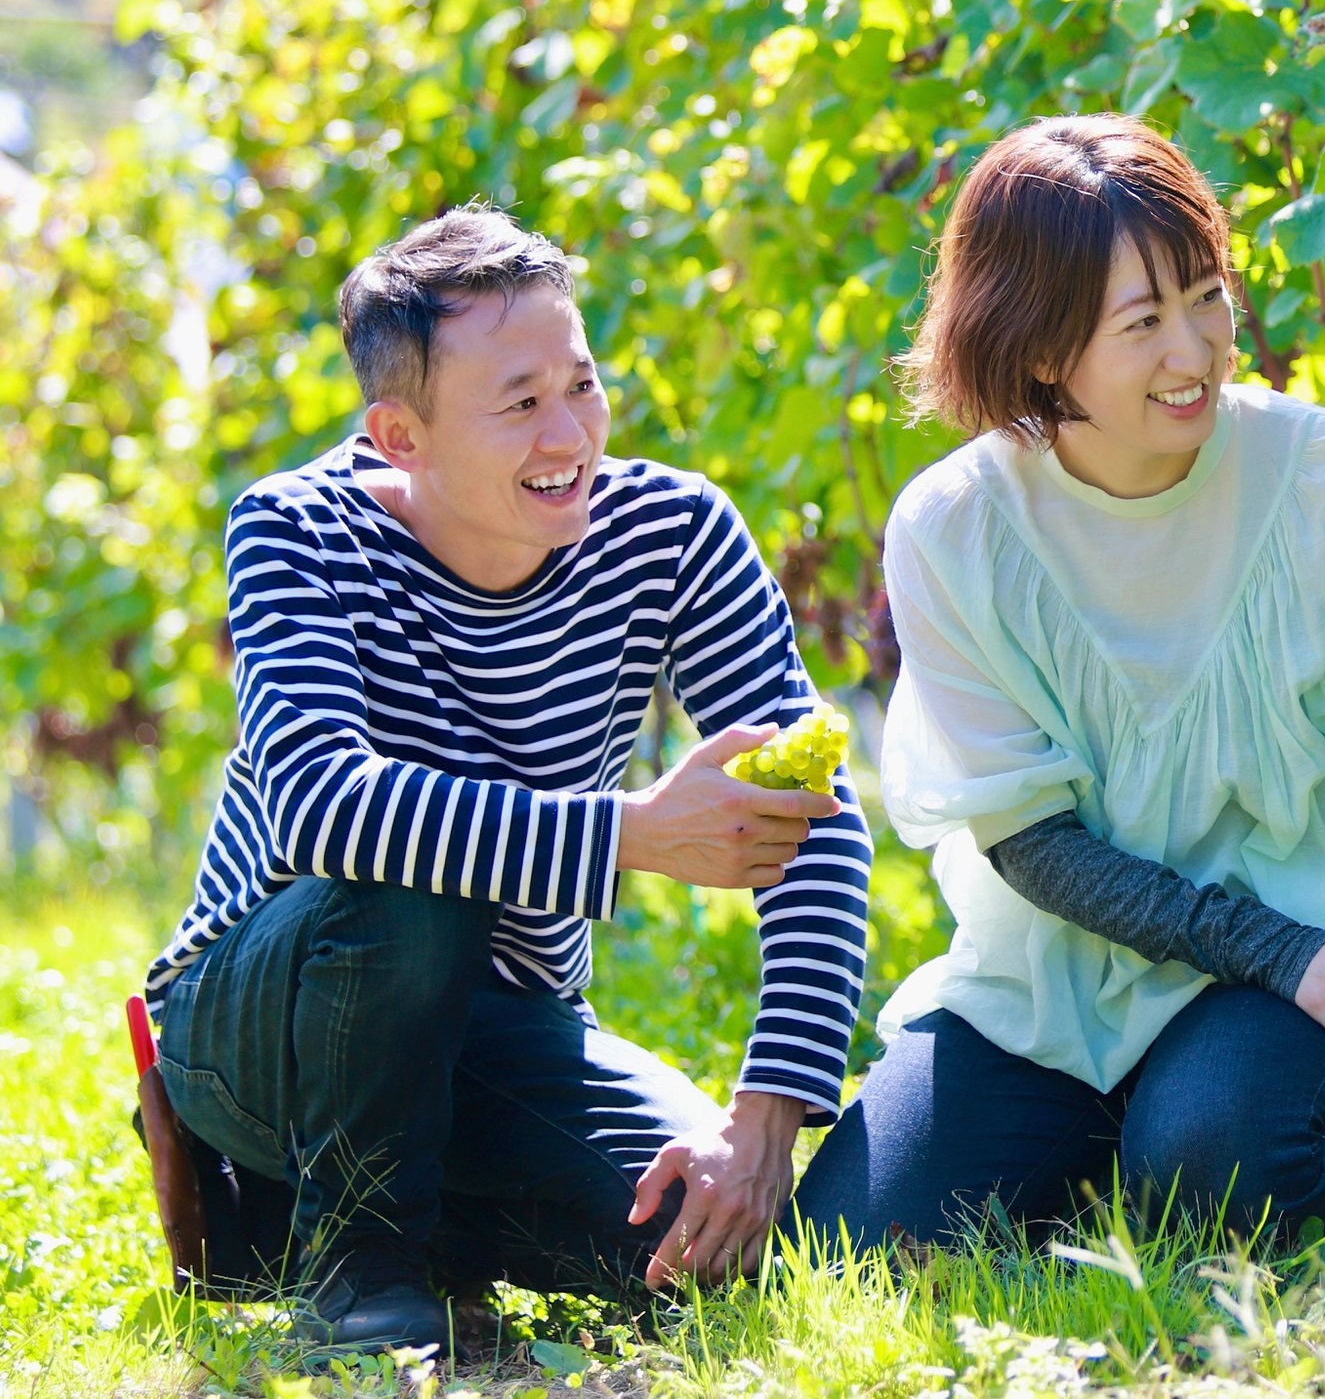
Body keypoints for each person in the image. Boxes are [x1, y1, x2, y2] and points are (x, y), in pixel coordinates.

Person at [791, 116, 1325, 1249]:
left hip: (1300, 973)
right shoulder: (955, 528)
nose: (1196, 352)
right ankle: (1125, 1137)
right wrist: (1271, 944)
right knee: (847, 1240)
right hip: (1058, 985)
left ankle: (1229, 1132)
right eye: (1142, 323)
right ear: (1037, 347)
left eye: (1204, 295)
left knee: (1209, 1171)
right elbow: (1031, 844)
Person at [144, 207, 873, 1354]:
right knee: (405, 875)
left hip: (507, 1017)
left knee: (704, 1248)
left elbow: (815, 819)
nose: (568, 431)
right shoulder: (294, 529)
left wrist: (765, 1115)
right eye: (520, 402)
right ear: (401, 436)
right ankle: (357, 1270)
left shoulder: (674, 529)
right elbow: (321, 802)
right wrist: (628, 833)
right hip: (269, 1018)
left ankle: (335, 1216)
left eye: (580, 384)